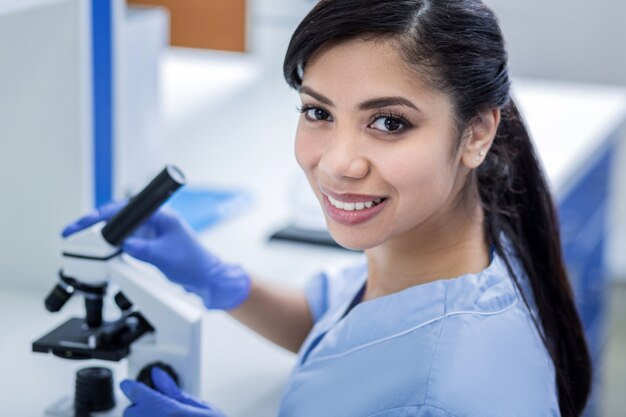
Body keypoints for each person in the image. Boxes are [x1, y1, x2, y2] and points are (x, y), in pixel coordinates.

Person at [63, 0, 592, 416]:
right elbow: (344, 334)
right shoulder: (428, 247)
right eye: (318, 111)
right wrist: (220, 280)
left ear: (476, 133)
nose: (338, 164)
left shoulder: (445, 394)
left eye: (389, 122)